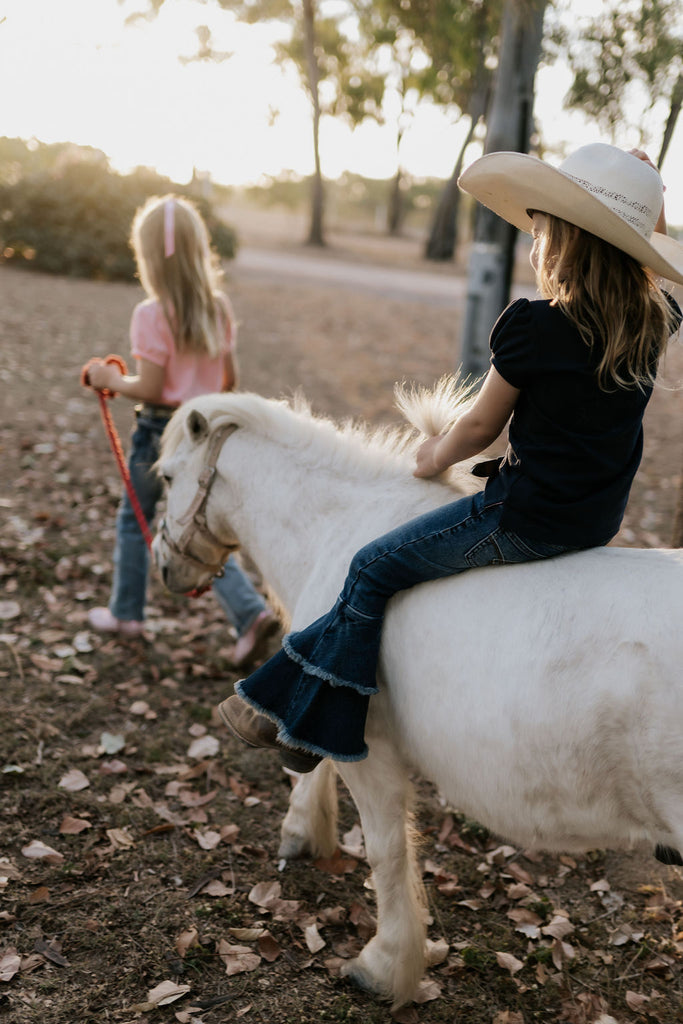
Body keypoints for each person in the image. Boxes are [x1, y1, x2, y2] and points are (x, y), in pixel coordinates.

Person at [218, 144, 683, 773]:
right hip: (594, 520)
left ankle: (308, 725)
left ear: (562, 242)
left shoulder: (533, 326)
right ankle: (279, 703)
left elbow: (479, 428)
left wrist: (433, 455)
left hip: (525, 520)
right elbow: (656, 273)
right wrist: (645, 208)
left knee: (373, 566)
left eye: (544, 227)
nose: (537, 237)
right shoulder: (649, 326)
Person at [84, 194, 277, 666]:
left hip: (158, 435)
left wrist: (112, 380)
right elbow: (228, 380)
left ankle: (126, 614)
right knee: (196, 528)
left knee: (137, 521)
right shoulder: (219, 307)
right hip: (207, 435)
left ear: (146, 257)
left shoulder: (151, 314)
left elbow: (151, 386)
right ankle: (249, 612)